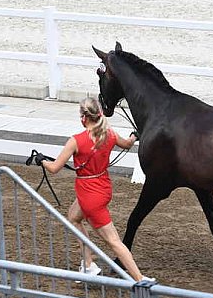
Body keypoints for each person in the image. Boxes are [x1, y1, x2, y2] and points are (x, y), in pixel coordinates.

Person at [40, 97, 152, 282]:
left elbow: (54, 168)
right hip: (103, 188)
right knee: (73, 217)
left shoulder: (76, 141)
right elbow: (127, 144)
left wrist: (41, 160)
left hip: (89, 194)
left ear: (84, 117)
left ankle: (140, 279)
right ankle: (88, 264)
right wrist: (134, 136)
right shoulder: (109, 134)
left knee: (114, 241)